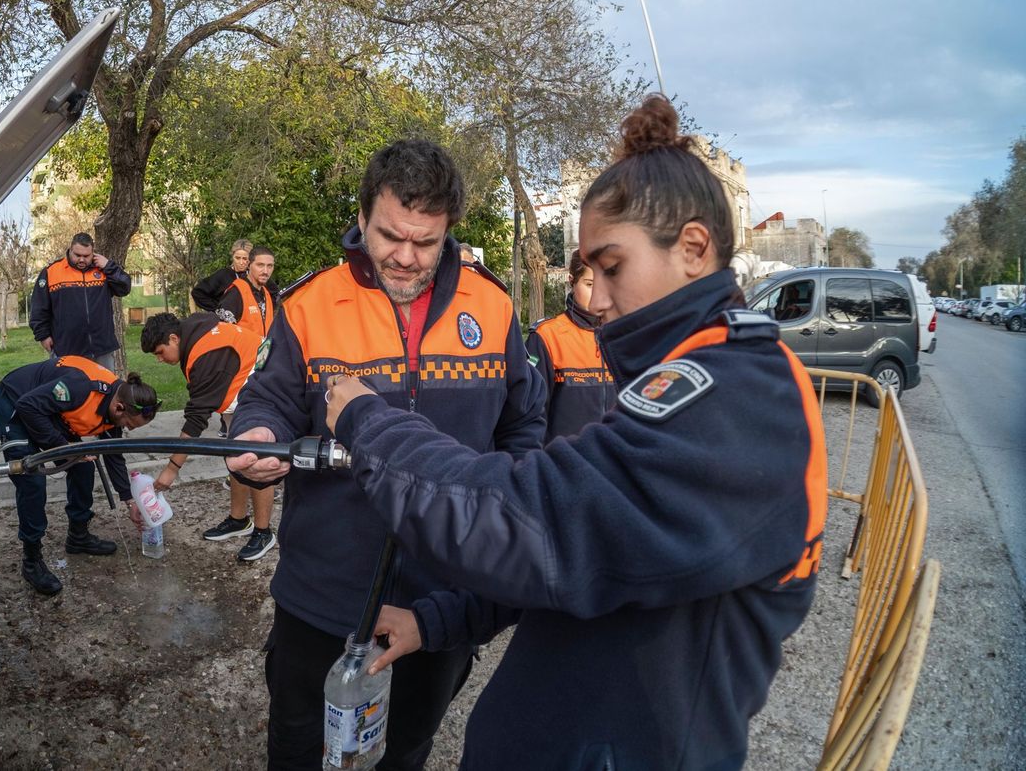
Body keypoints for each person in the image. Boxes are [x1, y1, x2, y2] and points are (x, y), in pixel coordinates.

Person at [296, 95, 827, 769]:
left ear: (694, 248)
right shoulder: (694, 373)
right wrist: (436, 620)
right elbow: (600, 553)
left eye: (613, 267)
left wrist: (368, 421)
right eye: (591, 271)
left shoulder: (736, 400)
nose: (597, 297)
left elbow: (532, 521)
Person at [225, 139, 547, 769]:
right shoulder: (312, 302)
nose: (405, 257)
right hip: (322, 595)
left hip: (440, 600)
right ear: (364, 213)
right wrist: (257, 436)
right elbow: (266, 401)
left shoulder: (494, 305)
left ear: (451, 229)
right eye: (389, 236)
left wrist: (493, 534)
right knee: (300, 746)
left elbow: (524, 427)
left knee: (404, 750)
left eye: (425, 242)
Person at [0, 356, 159, 596]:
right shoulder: (80, 388)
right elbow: (28, 406)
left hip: (45, 409)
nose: (128, 428)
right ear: (119, 407)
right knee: (32, 480)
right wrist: (64, 447)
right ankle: (31, 559)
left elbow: (113, 454)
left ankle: (78, 536)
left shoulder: (118, 402)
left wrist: (130, 501)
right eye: (129, 423)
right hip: (14, 403)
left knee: (83, 467)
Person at [139, 311, 276, 562]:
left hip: (264, 388)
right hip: (242, 386)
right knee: (236, 455)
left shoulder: (207, 355)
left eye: (159, 352)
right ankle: (239, 520)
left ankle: (263, 531)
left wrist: (172, 469)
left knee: (258, 460)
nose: (159, 360)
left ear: (173, 338)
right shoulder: (192, 329)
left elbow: (196, 420)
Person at [525, 248, 617, 441]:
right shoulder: (547, 336)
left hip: (615, 462)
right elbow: (529, 414)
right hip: (563, 463)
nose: (599, 293)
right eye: (590, 284)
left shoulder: (625, 335)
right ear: (571, 281)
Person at [28, 232, 132, 369]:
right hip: (66, 349)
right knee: (69, 389)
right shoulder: (51, 272)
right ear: (70, 250)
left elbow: (125, 287)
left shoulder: (102, 270)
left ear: (93, 253)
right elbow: (38, 308)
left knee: (104, 388)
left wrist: (108, 266)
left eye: (86, 256)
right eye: (77, 255)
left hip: (101, 349)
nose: (82, 260)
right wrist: (43, 336)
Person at [217, 246, 277, 338]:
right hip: (242, 351)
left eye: (270, 266)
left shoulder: (266, 293)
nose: (265, 271)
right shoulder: (236, 292)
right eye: (260, 265)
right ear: (249, 264)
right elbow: (222, 334)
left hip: (264, 351)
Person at [191, 238, 254, 313]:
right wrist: (218, 309)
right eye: (237, 258)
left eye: (244, 259)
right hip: (228, 322)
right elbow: (197, 292)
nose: (241, 262)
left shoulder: (255, 276)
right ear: (232, 257)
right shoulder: (223, 275)